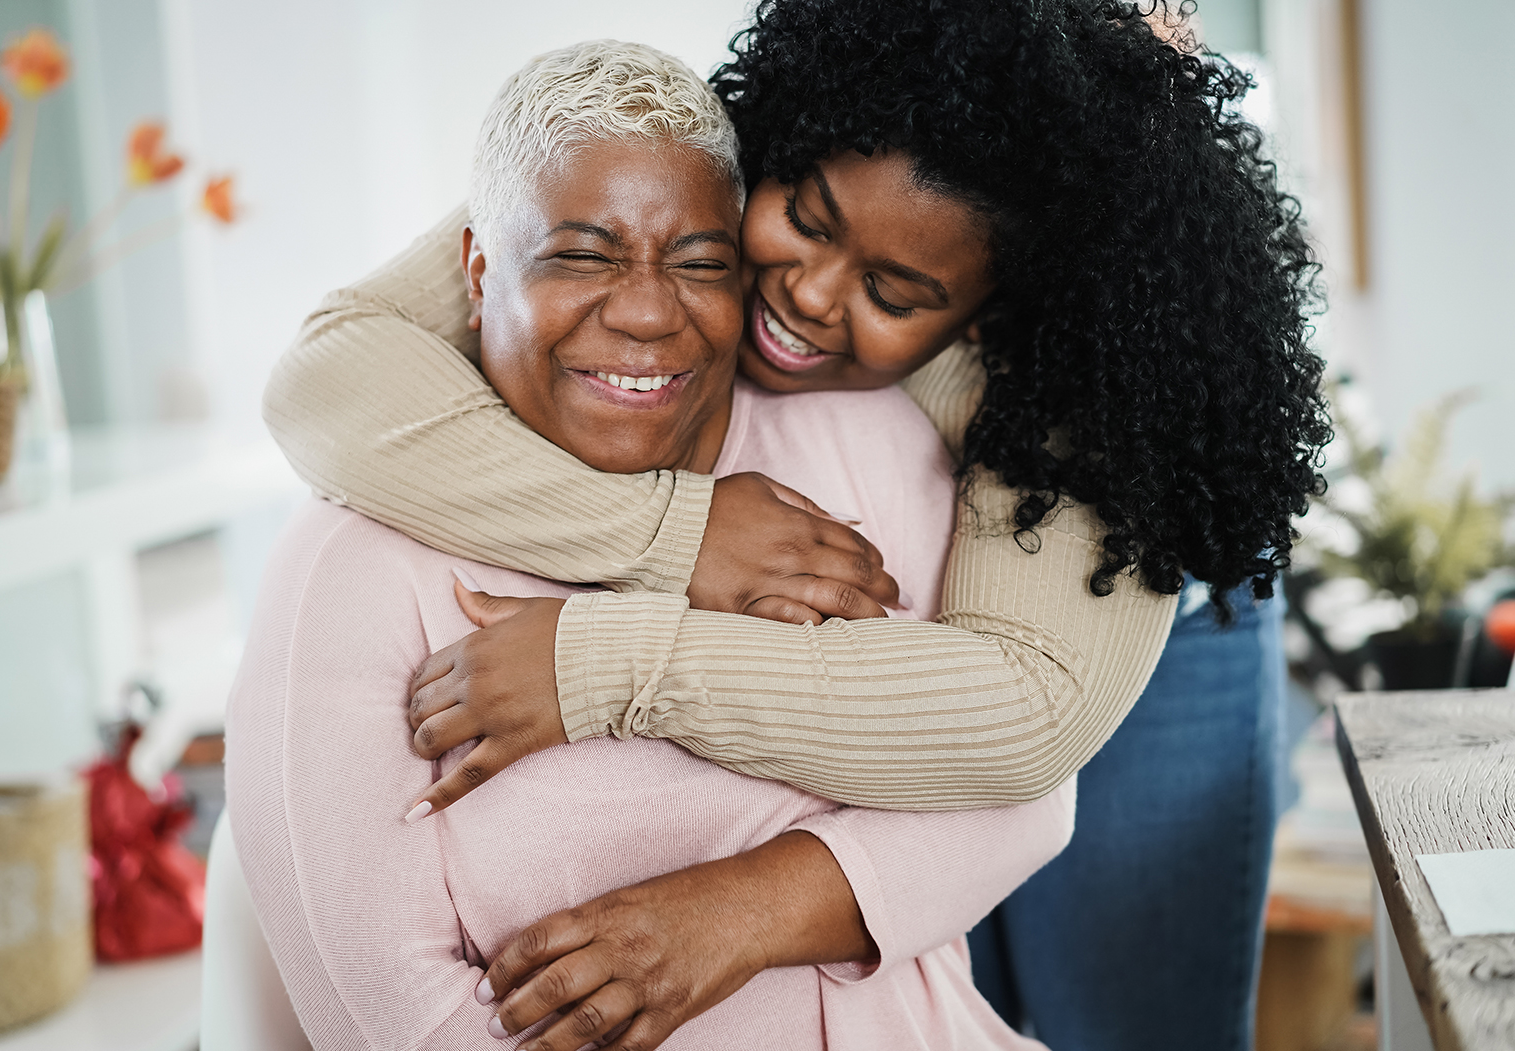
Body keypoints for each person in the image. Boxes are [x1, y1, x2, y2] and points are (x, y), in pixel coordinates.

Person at [263, 1, 1330, 1046]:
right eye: (806, 220)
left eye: (894, 289)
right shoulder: (717, 161)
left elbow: (1021, 726)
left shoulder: (1086, 365)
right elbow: (328, 373)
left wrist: (601, 665)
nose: (808, 295)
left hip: (1109, 628)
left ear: (992, 314)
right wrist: (675, 535)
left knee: (1130, 1018)